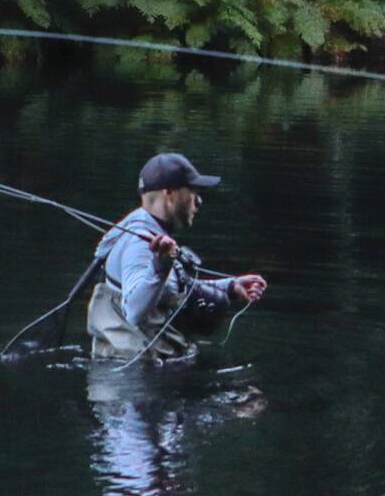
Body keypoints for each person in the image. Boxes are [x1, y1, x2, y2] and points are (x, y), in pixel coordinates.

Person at [85, 152, 268, 362]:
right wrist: (160, 265)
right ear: (169, 193)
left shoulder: (150, 230)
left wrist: (229, 287)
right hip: (132, 378)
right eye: (192, 191)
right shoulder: (141, 243)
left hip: (141, 369)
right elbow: (134, 310)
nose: (199, 200)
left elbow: (174, 286)